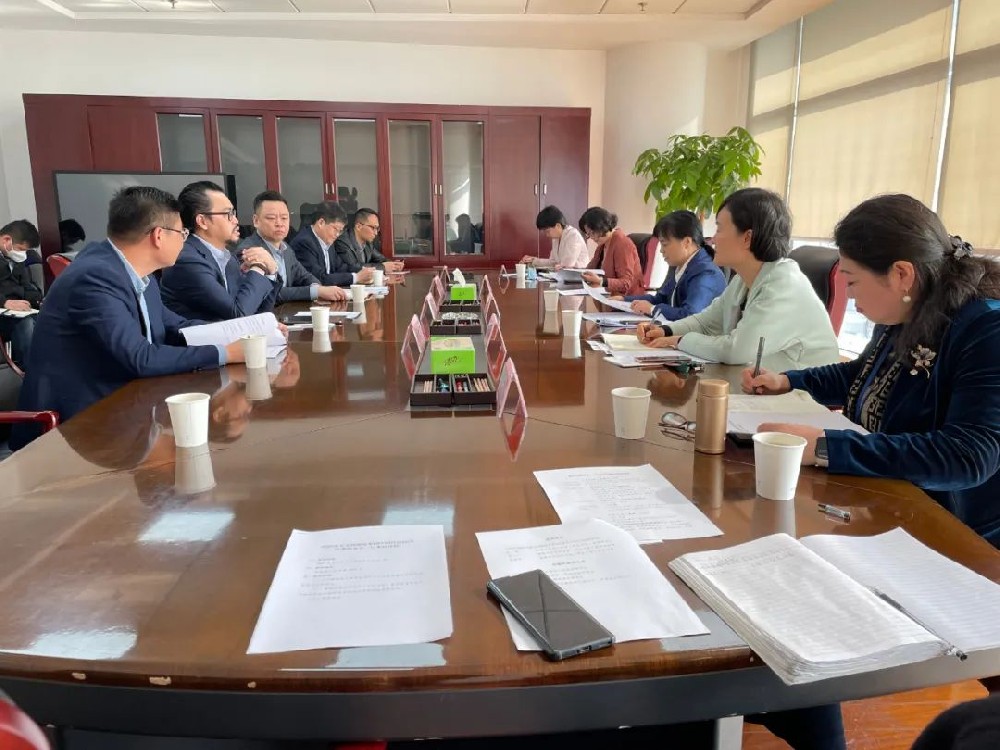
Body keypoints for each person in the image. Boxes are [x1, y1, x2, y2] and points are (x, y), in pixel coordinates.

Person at [743, 193, 1000, 546]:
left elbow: (968, 456)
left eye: (852, 281)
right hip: (890, 502)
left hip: (957, 533)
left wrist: (826, 446)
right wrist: (788, 381)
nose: (849, 296)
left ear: (901, 274)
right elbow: (862, 375)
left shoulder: (986, 329)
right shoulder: (907, 309)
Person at [11, 186, 248, 449]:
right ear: (159, 235)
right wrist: (225, 353)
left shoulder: (138, 274)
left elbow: (175, 326)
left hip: (125, 409)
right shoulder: (94, 277)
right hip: (76, 427)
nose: (185, 241)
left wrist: (240, 334)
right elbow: (139, 358)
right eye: (182, 233)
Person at [637, 188, 840, 371]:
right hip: (758, 383)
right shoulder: (743, 280)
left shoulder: (783, 284)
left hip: (802, 394)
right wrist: (665, 331)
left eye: (719, 229)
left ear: (747, 238)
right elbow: (706, 322)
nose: (713, 239)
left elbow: (736, 350)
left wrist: (679, 341)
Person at [160, 181, 280, 322]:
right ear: (202, 221)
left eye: (233, 213)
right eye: (228, 214)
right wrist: (258, 267)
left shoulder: (227, 257)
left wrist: (271, 272)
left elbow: (258, 314)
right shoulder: (187, 260)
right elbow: (238, 314)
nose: (236, 220)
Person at [237, 191, 347, 304]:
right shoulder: (248, 251)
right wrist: (316, 292)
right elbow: (269, 293)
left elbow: (305, 276)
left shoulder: (286, 249)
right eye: (271, 218)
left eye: (284, 218)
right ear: (256, 221)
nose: (279, 223)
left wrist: (318, 288)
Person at [613, 210, 726, 322]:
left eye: (665, 244)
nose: (661, 250)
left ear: (686, 242)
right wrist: (624, 299)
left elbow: (691, 315)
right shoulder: (682, 266)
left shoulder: (706, 273)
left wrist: (653, 309)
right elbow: (661, 298)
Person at [289, 201, 374, 287]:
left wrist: (363, 270)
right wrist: (356, 277)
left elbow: (340, 267)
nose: (337, 235)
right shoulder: (304, 243)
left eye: (340, 231)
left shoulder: (326, 239)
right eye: (335, 229)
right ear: (321, 223)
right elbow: (318, 279)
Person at [0, 220, 43, 369]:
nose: (22, 254)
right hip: (4, 312)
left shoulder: (16, 260)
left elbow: (27, 286)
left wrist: (38, 300)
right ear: (6, 240)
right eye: (20, 249)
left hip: (18, 311)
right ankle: (31, 371)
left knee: (50, 318)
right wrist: (4, 302)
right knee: (26, 324)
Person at [578, 206, 644, 295]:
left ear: (602, 227)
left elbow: (626, 283)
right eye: (589, 234)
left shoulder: (622, 244)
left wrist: (601, 281)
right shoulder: (602, 245)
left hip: (627, 299)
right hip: (607, 295)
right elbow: (590, 269)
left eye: (593, 233)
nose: (592, 238)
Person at [334, 208, 403, 274]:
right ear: (358, 227)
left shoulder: (367, 243)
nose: (376, 233)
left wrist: (393, 264)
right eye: (373, 228)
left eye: (377, 229)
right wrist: (383, 267)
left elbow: (380, 259)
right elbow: (353, 268)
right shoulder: (342, 242)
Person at [522, 205, 589, 269]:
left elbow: (567, 265)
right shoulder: (556, 238)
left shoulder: (573, 235)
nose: (547, 235)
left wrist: (555, 266)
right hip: (565, 274)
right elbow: (553, 262)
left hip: (579, 274)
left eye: (547, 231)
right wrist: (534, 261)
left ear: (558, 226)